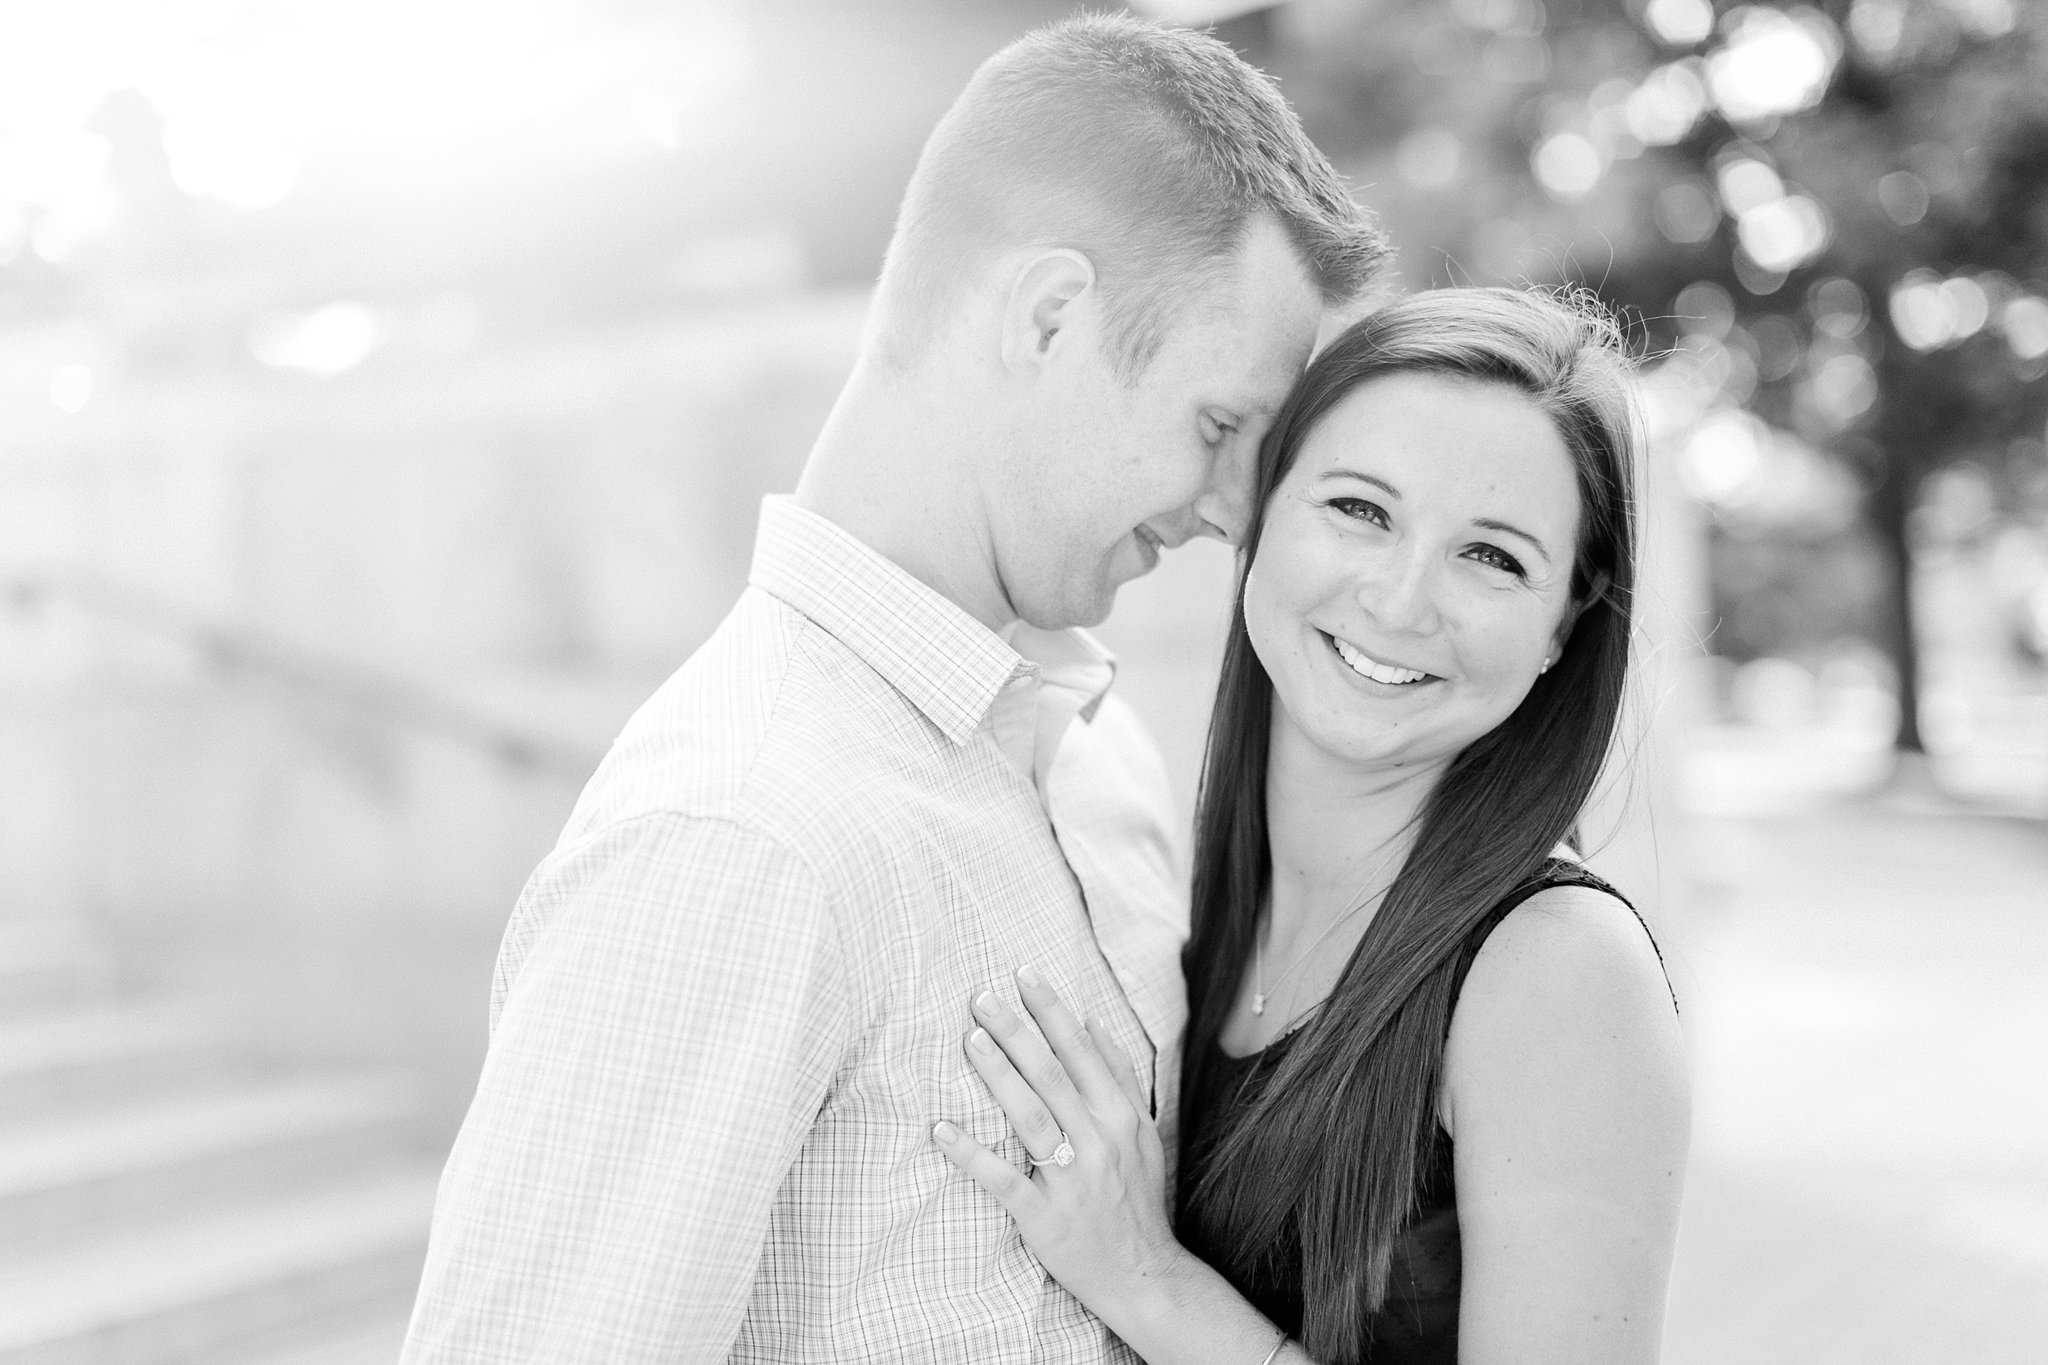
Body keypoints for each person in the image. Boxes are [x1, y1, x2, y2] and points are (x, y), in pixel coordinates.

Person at [399, 15, 1386, 1364]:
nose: (1235, 511)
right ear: (1047, 318)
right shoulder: (738, 835)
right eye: (1220, 428)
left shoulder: (1096, 759)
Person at [933, 286, 1691, 1365]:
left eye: (1492, 557)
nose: (1397, 599)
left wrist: (1148, 1282)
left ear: (1561, 624)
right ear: (1254, 514)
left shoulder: (1558, 973)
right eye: (1359, 510)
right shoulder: (1180, 893)